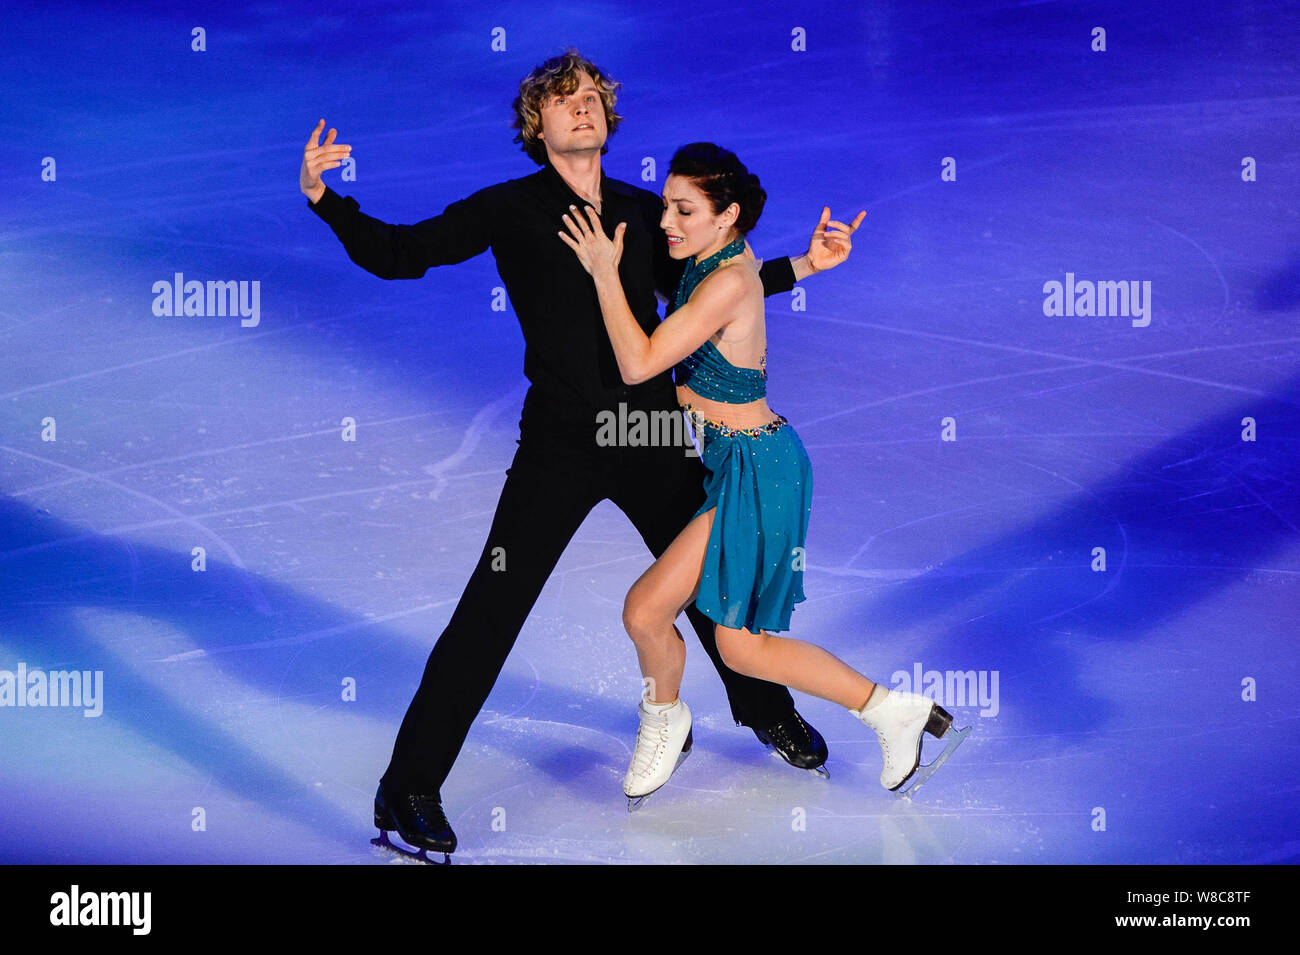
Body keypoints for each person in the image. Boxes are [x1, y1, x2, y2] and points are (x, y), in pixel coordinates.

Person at [299, 49, 861, 860]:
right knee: (491, 608)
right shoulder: (510, 208)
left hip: (650, 429)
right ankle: (408, 785)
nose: (583, 108)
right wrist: (326, 199)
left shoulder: (645, 212)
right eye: (564, 100)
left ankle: (763, 708)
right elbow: (401, 253)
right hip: (560, 442)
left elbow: (715, 292)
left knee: (707, 581)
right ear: (537, 124)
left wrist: (804, 264)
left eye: (593, 96)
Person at [558, 142, 967, 807]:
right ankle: (885, 711)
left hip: (760, 470)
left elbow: (641, 363)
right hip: (739, 464)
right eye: (666, 204)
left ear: (729, 216)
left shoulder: (724, 278)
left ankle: (887, 711)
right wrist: (807, 263)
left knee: (689, 626)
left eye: (684, 209)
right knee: (697, 631)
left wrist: (604, 272)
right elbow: (739, 302)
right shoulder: (725, 257)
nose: (667, 222)